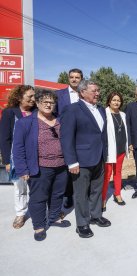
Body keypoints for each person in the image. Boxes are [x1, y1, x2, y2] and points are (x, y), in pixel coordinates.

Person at [12, 90, 70, 241]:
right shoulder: (26, 123)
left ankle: (54, 217)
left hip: (61, 166)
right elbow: (18, 148)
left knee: (57, 194)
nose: (48, 104)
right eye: (45, 102)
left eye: (51, 102)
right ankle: (38, 226)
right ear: (37, 103)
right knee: (39, 197)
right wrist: (22, 169)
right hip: (40, 167)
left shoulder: (60, 120)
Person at [60, 80, 110, 239]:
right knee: (81, 193)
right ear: (82, 92)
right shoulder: (72, 110)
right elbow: (66, 138)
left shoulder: (101, 109)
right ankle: (82, 223)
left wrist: (106, 154)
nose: (98, 93)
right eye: (94, 90)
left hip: (99, 158)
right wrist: (71, 161)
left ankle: (95, 215)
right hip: (81, 161)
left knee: (96, 189)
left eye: (98, 90)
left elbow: (102, 134)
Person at [0, 85, 35, 229]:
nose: (33, 99)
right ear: (20, 98)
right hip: (17, 158)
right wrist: (7, 160)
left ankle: (37, 211)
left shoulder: (36, 112)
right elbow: (4, 138)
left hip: (35, 157)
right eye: (30, 96)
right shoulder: (10, 112)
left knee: (36, 187)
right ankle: (20, 214)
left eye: (34, 96)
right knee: (19, 188)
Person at [55, 68, 83, 209]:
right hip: (65, 135)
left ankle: (82, 194)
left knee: (82, 166)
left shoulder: (85, 94)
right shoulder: (59, 95)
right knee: (67, 167)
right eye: (71, 77)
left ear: (81, 79)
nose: (74, 79)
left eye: (77, 77)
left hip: (82, 136)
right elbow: (53, 114)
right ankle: (68, 195)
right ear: (68, 78)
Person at [102, 92, 129, 211]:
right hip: (109, 150)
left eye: (118, 100)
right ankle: (103, 198)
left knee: (118, 172)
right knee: (107, 175)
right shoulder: (104, 113)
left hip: (121, 149)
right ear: (109, 101)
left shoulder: (123, 114)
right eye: (114, 100)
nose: (116, 102)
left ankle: (117, 194)